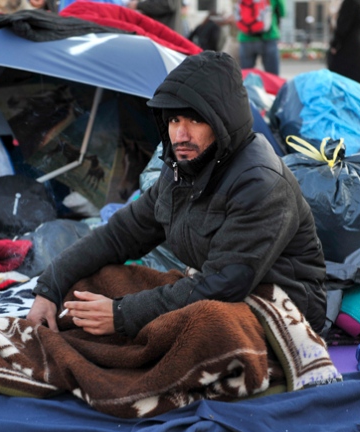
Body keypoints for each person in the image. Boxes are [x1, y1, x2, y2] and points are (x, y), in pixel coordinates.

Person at [27, 50, 328, 339]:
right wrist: (50, 287)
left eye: (195, 120)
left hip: (281, 306)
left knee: (193, 331)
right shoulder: (181, 169)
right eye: (174, 121)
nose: (181, 135)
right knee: (91, 285)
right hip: (220, 292)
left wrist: (121, 315)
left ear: (224, 122)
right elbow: (119, 234)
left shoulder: (259, 183)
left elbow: (223, 284)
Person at [237, 0, 287, 75]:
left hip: (246, 38)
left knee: (245, 76)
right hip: (269, 37)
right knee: (272, 77)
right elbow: (283, 12)